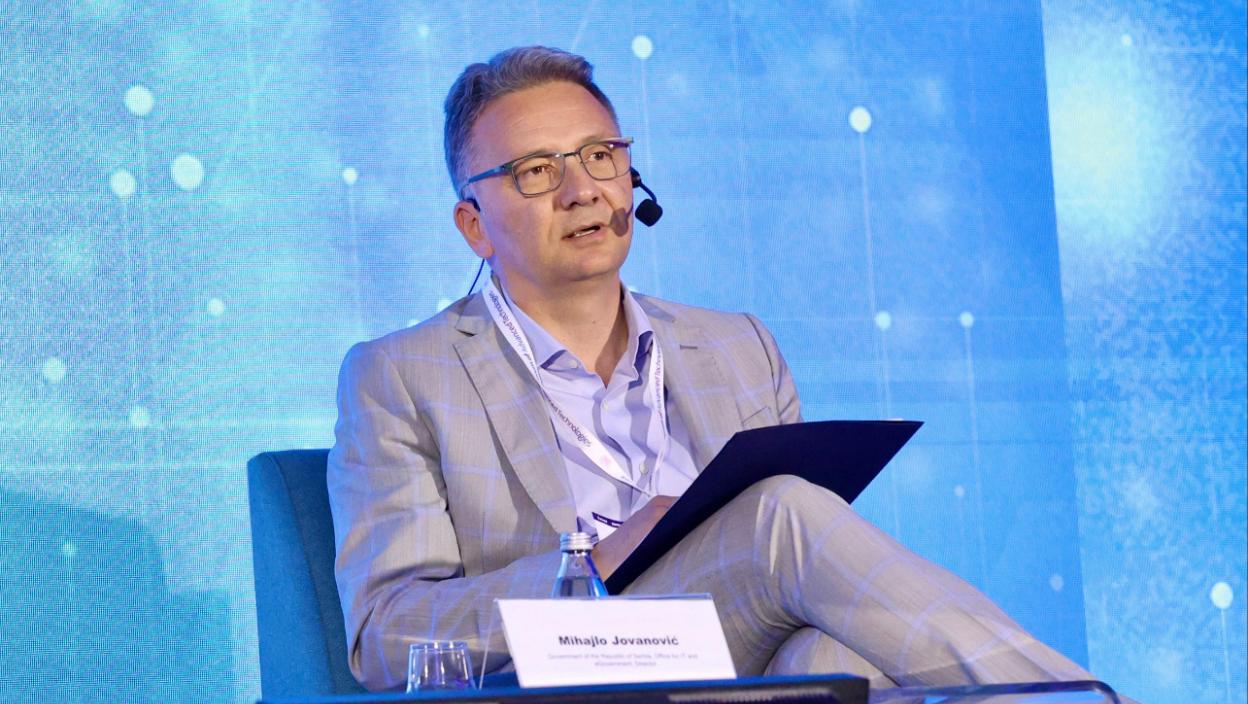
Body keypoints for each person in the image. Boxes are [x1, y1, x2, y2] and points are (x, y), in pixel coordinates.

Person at [327, 45, 1110, 695]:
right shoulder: (402, 374)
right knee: (779, 514)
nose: (582, 190)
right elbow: (386, 634)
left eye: (601, 155)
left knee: (832, 658)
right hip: (578, 672)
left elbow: (813, 577)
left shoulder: (738, 346)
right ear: (474, 225)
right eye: (536, 170)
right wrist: (592, 564)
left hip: (731, 660)